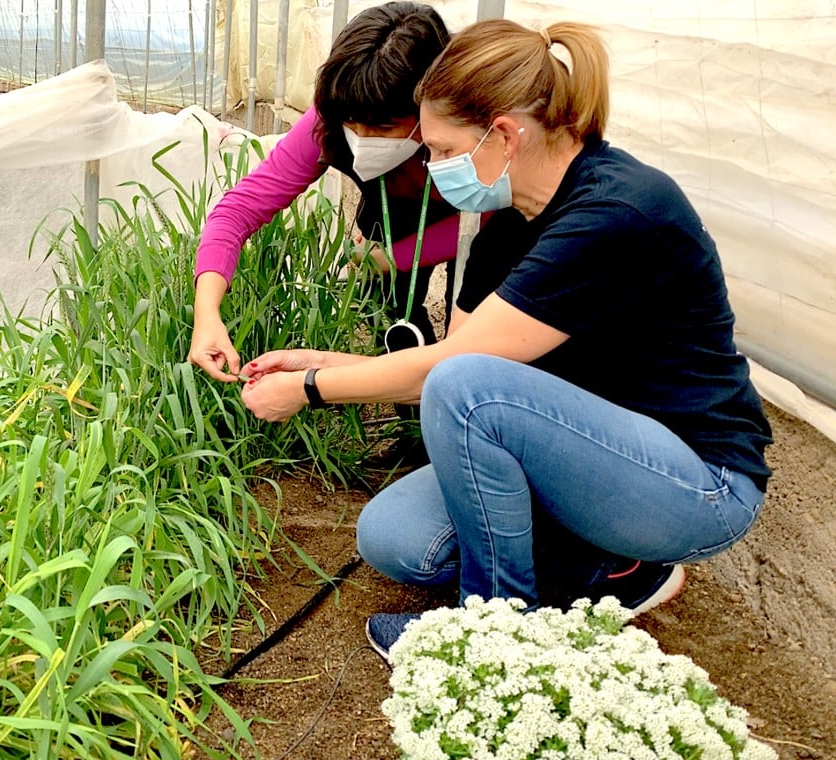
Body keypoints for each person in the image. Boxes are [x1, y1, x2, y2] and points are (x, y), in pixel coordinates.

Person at [237, 19, 773, 661]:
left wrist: (308, 389)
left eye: (439, 148)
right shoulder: (510, 222)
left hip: (696, 483)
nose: (430, 167)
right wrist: (320, 361)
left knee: (469, 386)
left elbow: (457, 373)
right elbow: (438, 370)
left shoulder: (617, 214)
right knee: (394, 537)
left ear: (505, 134)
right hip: (583, 457)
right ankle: (608, 568)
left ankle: (494, 628)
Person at [189, 2, 463, 383]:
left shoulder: (469, 132)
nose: (364, 140)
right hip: (390, 213)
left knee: (469, 327)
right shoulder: (329, 120)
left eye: (383, 128)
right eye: (354, 124)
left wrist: (396, 258)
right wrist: (206, 313)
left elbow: (493, 216)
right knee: (387, 311)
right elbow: (239, 209)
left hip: (470, 226)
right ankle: (413, 421)